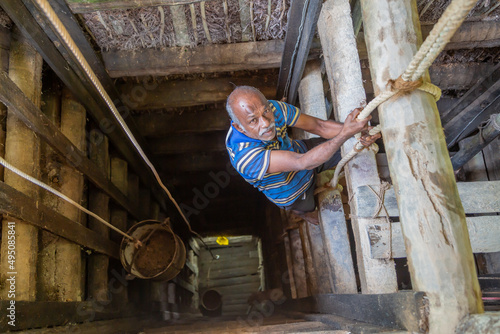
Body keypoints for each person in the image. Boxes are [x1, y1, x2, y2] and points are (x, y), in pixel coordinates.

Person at [225, 86, 380, 221]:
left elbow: (320, 126)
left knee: (350, 146)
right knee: (308, 206)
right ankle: (300, 213)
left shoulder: (274, 108)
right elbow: (302, 163)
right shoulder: (245, 158)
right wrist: (345, 133)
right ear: (238, 127)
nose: (266, 123)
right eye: (253, 120)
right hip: (291, 189)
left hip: (299, 151)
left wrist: (359, 131)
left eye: (265, 110)